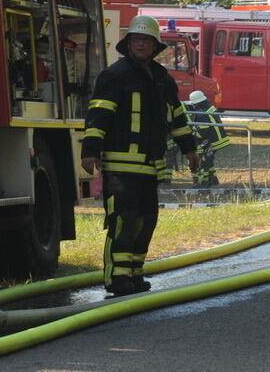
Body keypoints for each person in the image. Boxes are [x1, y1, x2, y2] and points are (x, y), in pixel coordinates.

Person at [81, 15, 199, 297]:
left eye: (145, 40)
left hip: (150, 166)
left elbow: (177, 118)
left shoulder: (162, 79)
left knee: (146, 221)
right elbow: (99, 115)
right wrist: (90, 151)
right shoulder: (115, 75)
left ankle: (134, 273)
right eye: (136, 39)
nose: (140, 44)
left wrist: (190, 148)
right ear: (128, 43)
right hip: (121, 165)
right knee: (123, 220)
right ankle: (117, 279)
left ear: (155, 45)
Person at [185, 90, 231, 187]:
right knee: (208, 160)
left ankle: (203, 183)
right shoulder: (208, 107)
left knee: (203, 161)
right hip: (218, 138)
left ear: (196, 103)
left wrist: (195, 136)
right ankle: (213, 180)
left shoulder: (201, 113)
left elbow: (203, 130)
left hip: (213, 140)